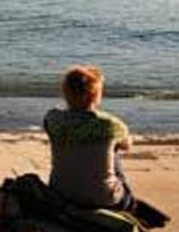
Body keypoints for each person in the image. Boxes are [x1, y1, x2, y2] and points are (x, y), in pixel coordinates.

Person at [43, 65, 135, 210]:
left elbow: (49, 127)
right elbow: (128, 145)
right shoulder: (110, 124)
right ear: (96, 96)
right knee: (114, 149)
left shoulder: (53, 118)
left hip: (60, 193)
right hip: (103, 198)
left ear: (65, 92)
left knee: (77, 143)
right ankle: (128, 205)